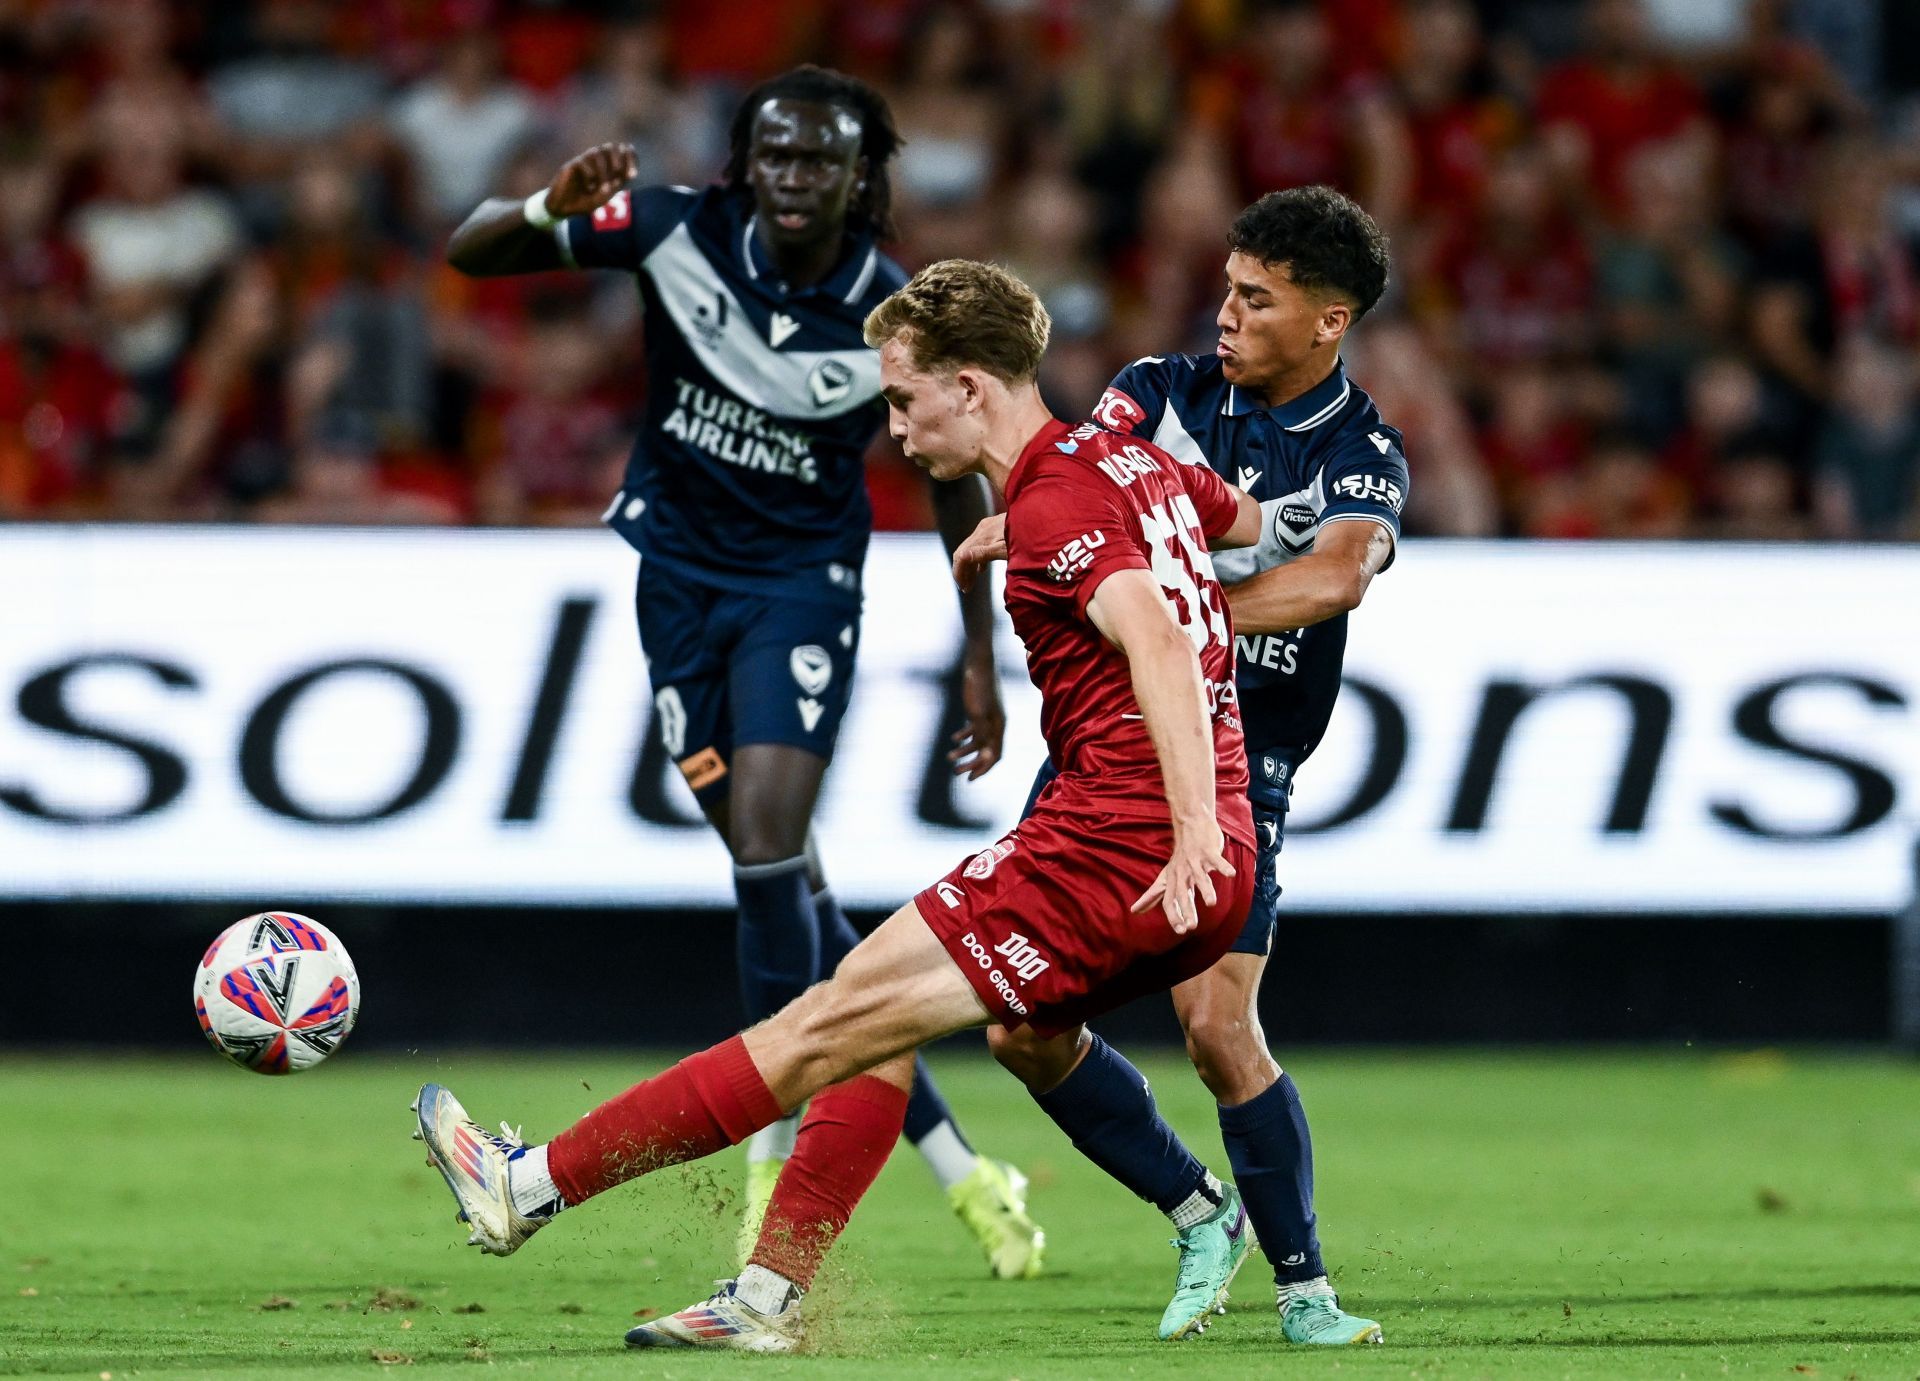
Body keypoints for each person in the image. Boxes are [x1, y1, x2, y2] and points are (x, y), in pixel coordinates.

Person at [413, 257, 1266, 1353]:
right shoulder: (1125, 464)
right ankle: (774, 1298)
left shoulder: (1060, 503)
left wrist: (1184, 814)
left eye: (906, 398)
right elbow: (1245, 521)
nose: (897, 431)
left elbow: (1151, 633)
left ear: (971, 386)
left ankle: (524, 1186)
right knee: (921, 1025)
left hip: (1123, 846)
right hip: (1209, 861)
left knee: (821, 1023)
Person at [440, 65, 1041, 1276]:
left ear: (859, 174)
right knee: (798, 907)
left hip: (799, 591)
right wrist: (544, 209)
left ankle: (771, 1165)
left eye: (819, 159)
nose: (793, 177)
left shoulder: (893, 310)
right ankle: (966, 1169)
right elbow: (471, 253)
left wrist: (980, 652)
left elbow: (951, 478)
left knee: (770, 845)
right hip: (676, 583)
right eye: (774, 153)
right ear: (746, 158)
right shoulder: (672, 228)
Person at [955, 186, 1404, 1345]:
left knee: (1214, 1025)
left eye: (1259, 299)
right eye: (1228, 289)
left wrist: (1190, 606)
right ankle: (1199, 1208)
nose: (1230, 314)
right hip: (1108, 750)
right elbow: (1068, 497)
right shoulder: (1156, 394)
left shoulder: (1362, 449)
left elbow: (1339, 576)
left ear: (1329, 320)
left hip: (1239, 761)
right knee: (1018, 1026)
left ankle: (1306, 1294)